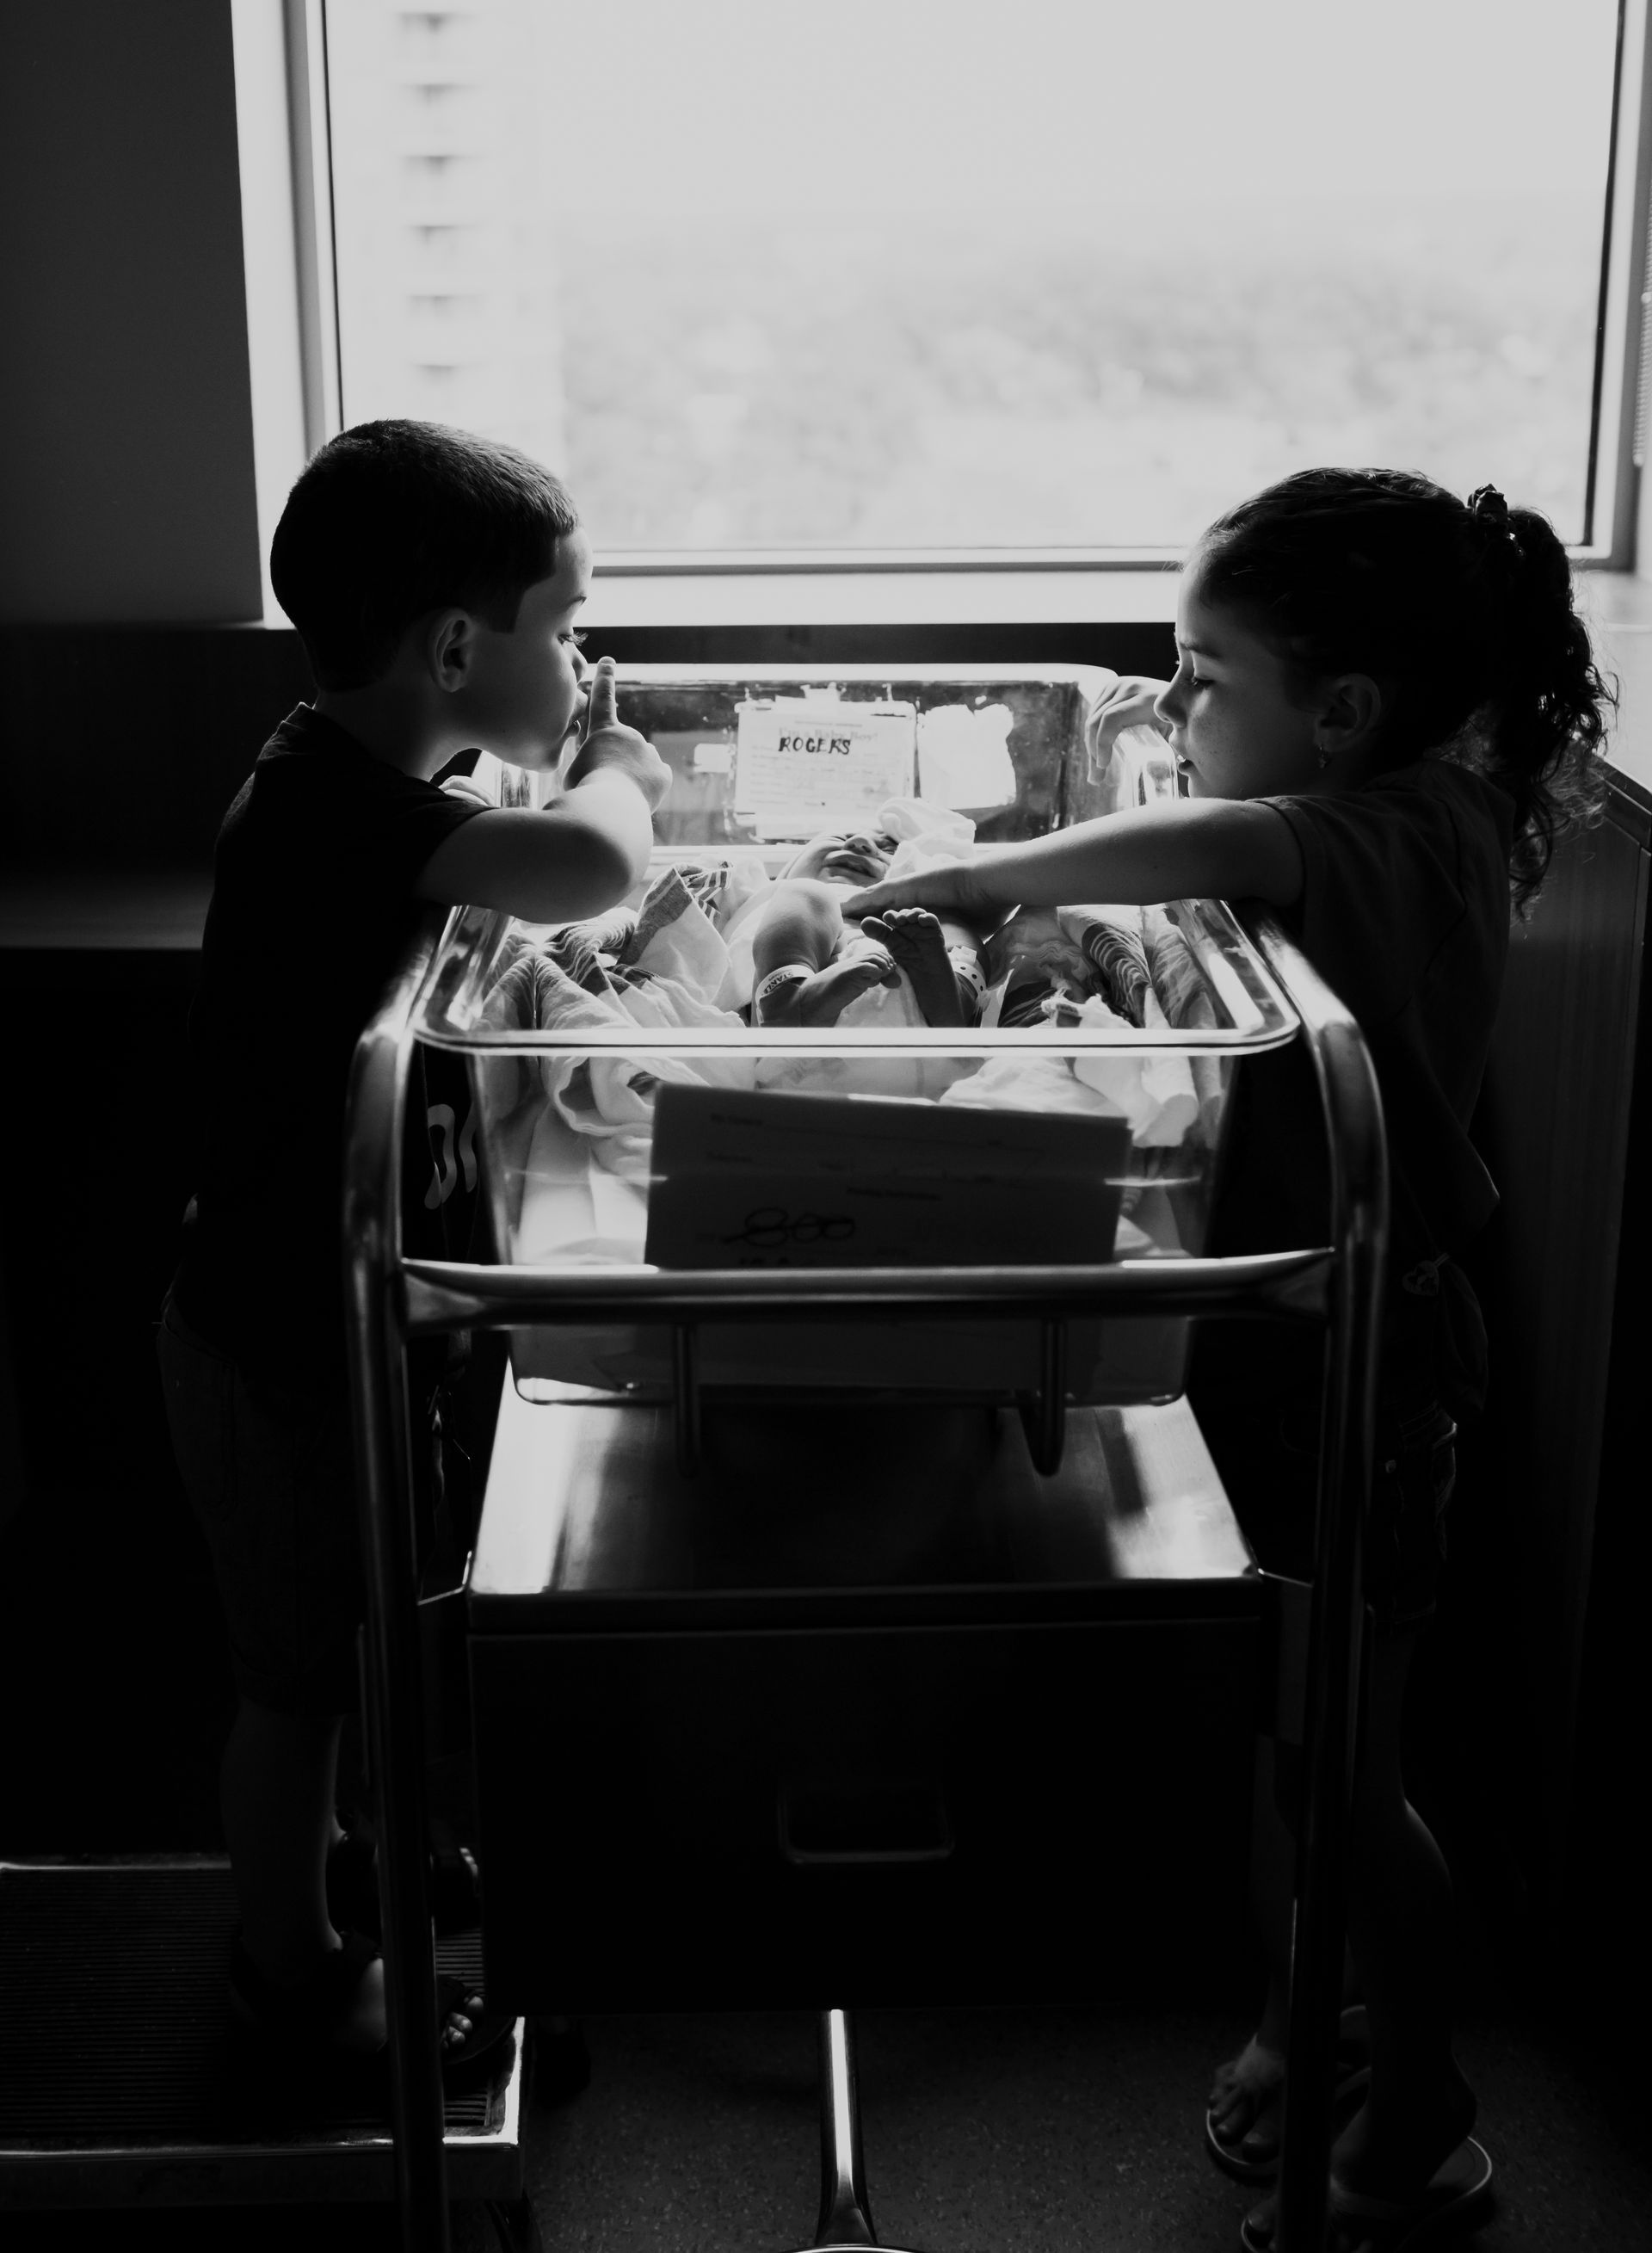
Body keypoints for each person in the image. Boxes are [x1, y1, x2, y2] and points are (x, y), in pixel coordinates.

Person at [847, 466, 1610, 2250]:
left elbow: (1217, 846)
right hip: (1285, 1342)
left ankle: (1423, 2111)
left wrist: (977, 868)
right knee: (1293, 1742)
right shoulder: (1392, 788)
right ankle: (1308, 2011)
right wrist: (1159, 724)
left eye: (1201, 673)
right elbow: (1221, 807)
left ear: (1339, 710)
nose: (1174, 703)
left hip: (1371, 1366)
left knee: (1347, 1762)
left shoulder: (1395, 832)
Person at [156, 420, 670, 2074]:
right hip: (273, 1334)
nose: (583, 666)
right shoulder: (327, 807)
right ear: (459, 647)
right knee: (292, 1671)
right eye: (569, 629)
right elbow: (588, 866)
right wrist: (624, 772)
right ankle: (289, 1962)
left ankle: (391, 1848)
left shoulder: (384, 768)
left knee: (381, 1606)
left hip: (358, 1310)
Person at [750, 827, 988, 1027]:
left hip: (918, 1036)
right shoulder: (776, 899)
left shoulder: (914, 922)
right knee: (808, 892)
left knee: (956, 934)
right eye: (840, 839)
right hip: (790, 1046)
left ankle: (952, 999)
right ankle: (788, 996)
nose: (860, 843)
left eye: (889, 851)